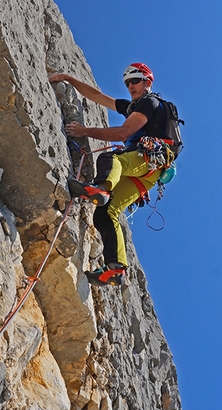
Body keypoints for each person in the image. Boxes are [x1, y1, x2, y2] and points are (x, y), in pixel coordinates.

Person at [49, 63, 172, 286]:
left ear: (147, 83)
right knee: (106, 213)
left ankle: (101, 188)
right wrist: (69, 78)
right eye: (127, 83)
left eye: (135, 81)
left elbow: (124, 132)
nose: (130, 86)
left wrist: (84, 131)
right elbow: (99, 97)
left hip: (148, 160)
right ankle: (117, 269)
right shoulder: (134, 105)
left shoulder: (149, 102)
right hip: (148, 173)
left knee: (111, 159)